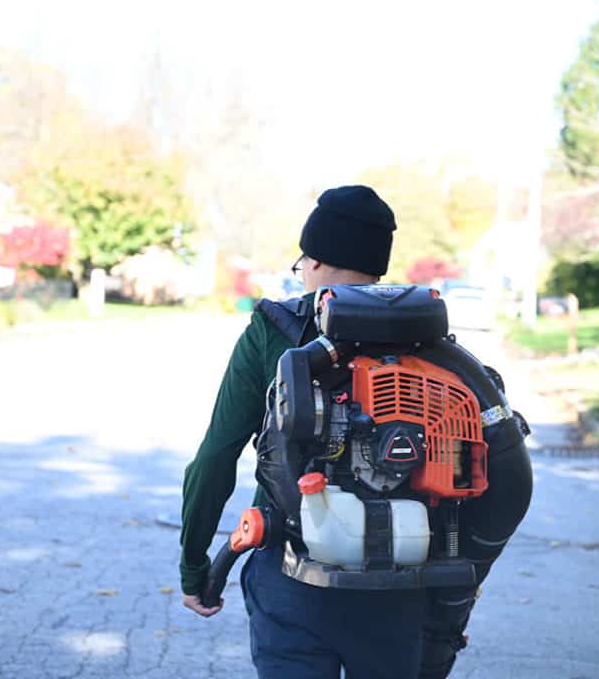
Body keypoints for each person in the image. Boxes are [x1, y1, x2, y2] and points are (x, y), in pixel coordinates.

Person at [179, 185, 430, 678]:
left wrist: (195, 570)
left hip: (290, 569)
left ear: (313, 262)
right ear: (376, 266)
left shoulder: (273, 330)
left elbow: (215, 457)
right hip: (401, 573)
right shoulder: (422, 332)